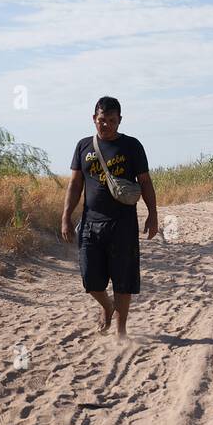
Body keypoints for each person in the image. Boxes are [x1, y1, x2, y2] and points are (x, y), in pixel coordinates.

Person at [61, 96, 158, 339]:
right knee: (90, 279)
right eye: (102, 120)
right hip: (90, 223)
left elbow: (145, 182)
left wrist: (153, 215)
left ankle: (121, 331)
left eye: (112, 121)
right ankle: (107, 305)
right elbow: (74, 184)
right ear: (94, 119)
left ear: (120, 120)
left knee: (123, 279)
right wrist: (65, 216)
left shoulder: (132, 146)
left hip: (122, 224)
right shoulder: (83, 146)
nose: (106, 125)